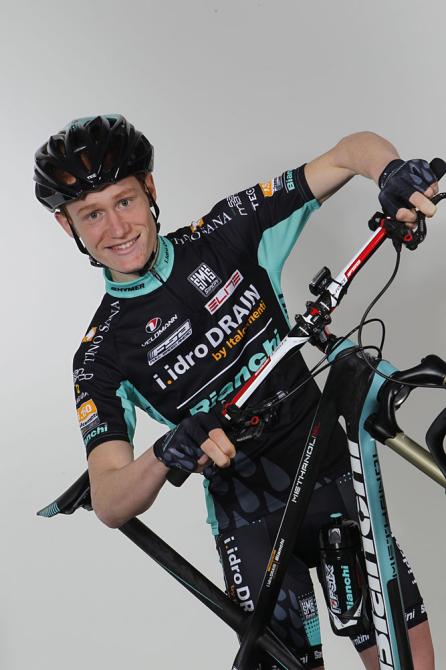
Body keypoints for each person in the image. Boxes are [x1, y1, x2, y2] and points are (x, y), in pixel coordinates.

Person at [34, 114, 437, 669]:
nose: (117, 228)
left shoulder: (227, 233)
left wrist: (390, 172)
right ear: (67, 226)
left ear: (150, 189)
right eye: (92, 214)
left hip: (334, 482)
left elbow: (350, 150)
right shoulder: (99, 357)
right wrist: (165, 450)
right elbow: (109, 499)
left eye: (124, 201)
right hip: (249, 525)